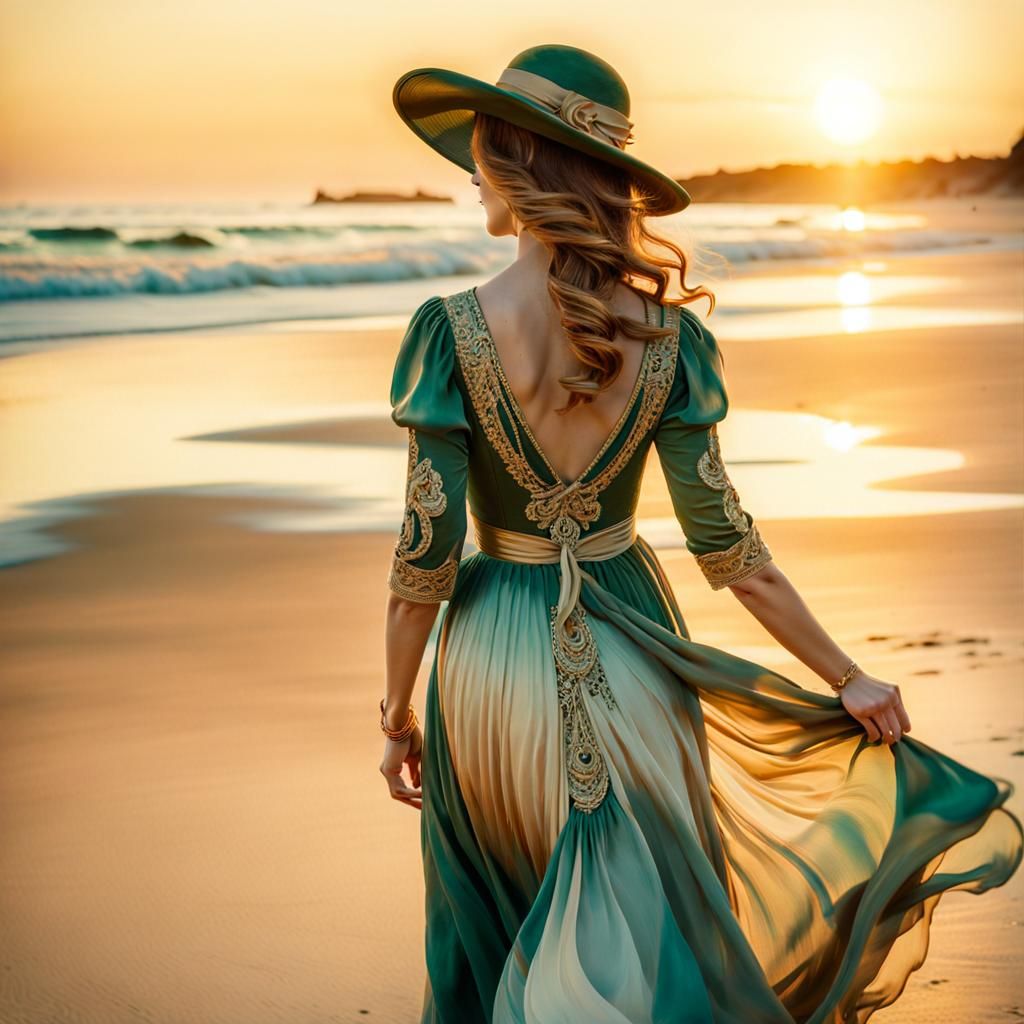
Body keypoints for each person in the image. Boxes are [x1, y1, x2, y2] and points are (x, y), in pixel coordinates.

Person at [379, 44, 1023, 1024]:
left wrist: (396, 709)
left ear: (518, 165)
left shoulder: (447, 330)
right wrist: (843, 673)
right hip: (634, 626)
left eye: (480, 154)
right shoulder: (670, 342)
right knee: (653, 930)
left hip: (484, 664)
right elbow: (728, 546)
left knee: (495, 924)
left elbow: (422, 557)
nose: (471, 176)